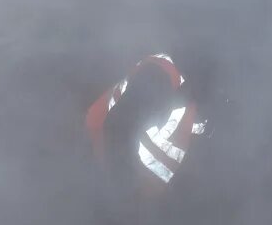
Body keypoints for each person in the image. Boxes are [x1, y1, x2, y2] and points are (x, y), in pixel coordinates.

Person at [85, 53, 211, 193]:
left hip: (129, 186)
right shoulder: (159, 76)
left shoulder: (196, 105)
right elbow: (117, 130)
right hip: (96, 168)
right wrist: (126, 195)